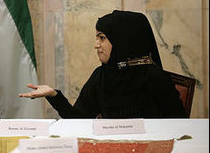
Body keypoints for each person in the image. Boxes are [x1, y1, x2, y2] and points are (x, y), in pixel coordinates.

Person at [19, 10, 187, 118]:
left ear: (122, 40)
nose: (96, 45)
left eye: (102, 38)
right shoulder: (102, 76)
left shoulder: (154, 77)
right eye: (97, 38)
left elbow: (178, 126)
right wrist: (53, 95)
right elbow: (79, 120)